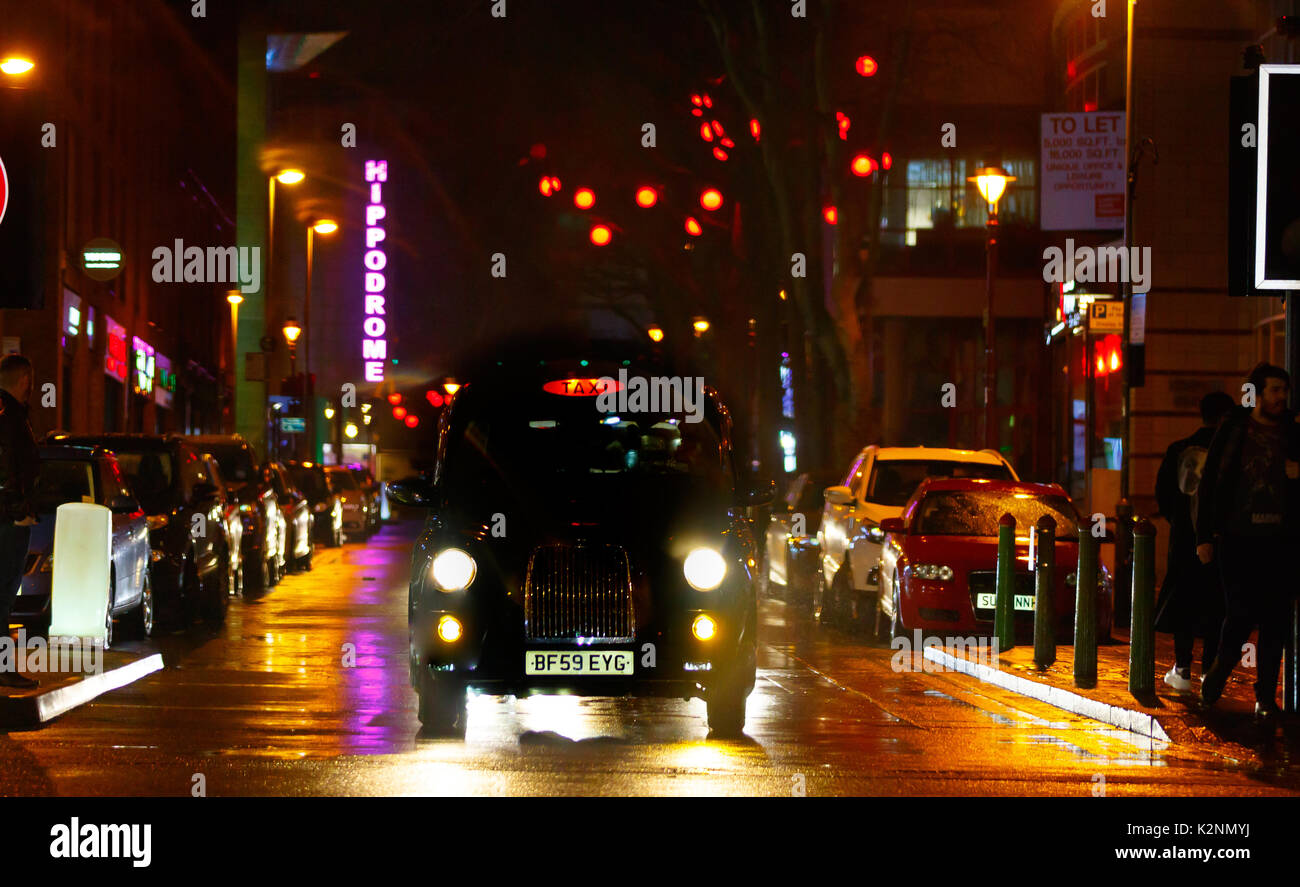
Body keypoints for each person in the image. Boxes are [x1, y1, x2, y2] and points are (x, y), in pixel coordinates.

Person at [1196, 362, 1300, 721]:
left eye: (1283, 390)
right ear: (1257, 393)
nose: (1280, 397)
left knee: (1276, 620)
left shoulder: (1292, 431)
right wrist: (1203, 535)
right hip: (1239, 538)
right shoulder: (1234, 429)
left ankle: (1265, 699)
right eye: (1274, 390)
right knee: (1239, 615)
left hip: (1281, 541)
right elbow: (1210, 482)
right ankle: (1217, 677)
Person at [1155, 391, 1234, 691]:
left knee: (1184, 603)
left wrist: (1178, 522)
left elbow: (1163, 496)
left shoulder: (1178, 449)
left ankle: (1183, 666)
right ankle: (1210, 666)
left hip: (1184, 541)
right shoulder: (1228, 452)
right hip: (1220, 540)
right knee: (1217, 604)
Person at [0, 354, 39, 690]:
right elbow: (7, 469)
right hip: (8, 522)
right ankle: (2, 667)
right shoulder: (9, 417)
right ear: (24, 379)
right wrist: (17, 511)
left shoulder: (9, 414)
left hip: (7, 517)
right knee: (3, 597)